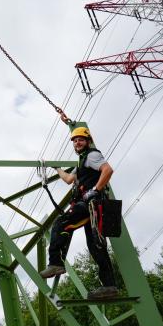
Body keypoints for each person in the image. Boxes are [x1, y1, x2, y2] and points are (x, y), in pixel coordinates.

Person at [39, 127, 118, 299]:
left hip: (91, 203)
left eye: (81, 139)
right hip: (92, 208)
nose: (77, 142)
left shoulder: (92, 155)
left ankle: (55, 263)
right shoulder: (82, 162)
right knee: (96, 246)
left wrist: (95, 190)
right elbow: (69, 179)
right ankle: (110, 286)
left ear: (87, 141)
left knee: (61, 223)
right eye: (75, 141)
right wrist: (56, 168)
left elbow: (108, 170)